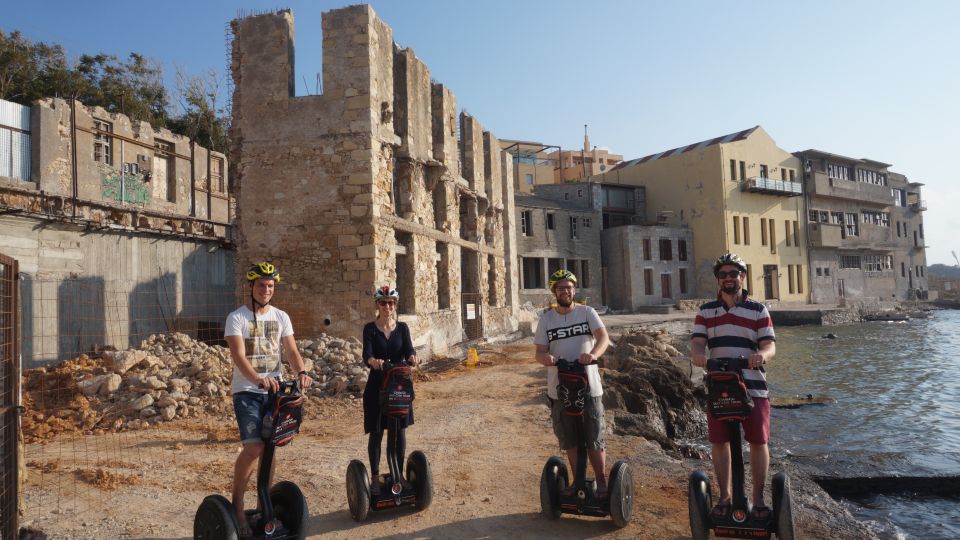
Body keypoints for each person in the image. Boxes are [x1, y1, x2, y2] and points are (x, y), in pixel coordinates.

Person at [225, 262, 313, 537]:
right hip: (247, 392)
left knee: (271, 446)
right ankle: (237, 506)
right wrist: (257, 379)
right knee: (253, 448)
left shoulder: (281, 316)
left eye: (270, 286)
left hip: (275, 392)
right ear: (251, 287)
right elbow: (239, 356)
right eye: (261, 285)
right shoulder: (236, 318)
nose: (266, 290)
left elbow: (291, 349)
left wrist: (301, 371)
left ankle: (264, 505)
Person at [690, 252, 776, 521]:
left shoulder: (758, 309)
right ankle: (725, 497)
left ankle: (760, 499)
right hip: (720, 384)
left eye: (733, 273)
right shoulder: (706, 310)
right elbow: (697, 342)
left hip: (753, 386)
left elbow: (770, 344)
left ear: (743, 276)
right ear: (718, 280)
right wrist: (698, 354)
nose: (728, 278)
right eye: (723, 275)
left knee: (758, 441)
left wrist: (762, 355)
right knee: (719, 441)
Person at [534, 269, 611, 496]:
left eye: (568, 287)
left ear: (574, 290)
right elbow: (539, 351)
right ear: (554, 292)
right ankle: (577, 481)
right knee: (570, 439)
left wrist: (594, 354)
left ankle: (601, 481)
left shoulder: (587, 312)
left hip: (590, 387)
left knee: (594, 436)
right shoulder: (546, 319)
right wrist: (545, 359)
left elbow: (603, 338)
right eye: (560, 288)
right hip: (560, 388)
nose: (565, 291)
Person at [361, 285, 419, 495]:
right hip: (377, 386)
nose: (388, 306)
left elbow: (409, 349)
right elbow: (366, 354)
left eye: (392, 303)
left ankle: (399, 475)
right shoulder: (370, 328)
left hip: (398, 386)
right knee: (376, 432)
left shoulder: (402, 328)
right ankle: (375, 478)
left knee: (399, 431)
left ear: (395, 305)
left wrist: (412, 357)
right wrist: (373, 361)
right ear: (377, 304)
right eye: (384, 303)